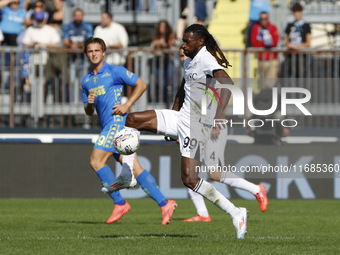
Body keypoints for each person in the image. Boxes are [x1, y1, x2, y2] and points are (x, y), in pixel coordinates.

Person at [104, 24, 264, 239]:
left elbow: (227, 83)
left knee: (189, 180)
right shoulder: (189, 61)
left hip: (196, 125)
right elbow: (183, 88)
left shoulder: (206, 59)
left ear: (199, 42)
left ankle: (236, 212)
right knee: (130, 120)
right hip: (180, 118)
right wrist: (171, 118)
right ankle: (126, 174)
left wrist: (219, 114)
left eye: (187, 41)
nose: (183, 44)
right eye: (183, 40)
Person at [82, 37, 177, 225]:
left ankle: (120, 203)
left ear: (103, 52)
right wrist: (89, 105)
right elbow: (88, 111)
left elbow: (141, 84)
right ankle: (165, 204)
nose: (93, 54)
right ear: (86, 54)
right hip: (107, 125)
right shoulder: (86, 81)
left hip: (117, 123)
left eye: (97, 50)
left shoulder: (114, 71)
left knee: (96, 160)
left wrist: (127, 104)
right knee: (135, 168)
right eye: (90, 51)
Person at [176, 49, 268, 222]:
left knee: (214, 173)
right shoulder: (190, 71)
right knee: (189, 170)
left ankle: (256, 189)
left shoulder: (206, 69)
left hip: (212, 125)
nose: (183, 58)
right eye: (181, 56)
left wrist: (217, 119)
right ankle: (202, 213)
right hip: (196, 126)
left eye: (185, 55)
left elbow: (221, 92)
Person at [62, 8, 93, 102]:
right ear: (73, 16)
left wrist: (78, 44)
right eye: (76, 15)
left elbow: (89, 41)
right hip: (72, 59)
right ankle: (72, 102)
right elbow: (65, 41)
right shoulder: (68, 27)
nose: (78, 17)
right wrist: (71, 45)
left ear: (83, 16)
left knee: (83, 82)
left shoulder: (87, 27)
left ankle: (82, 102)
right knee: (71, 81)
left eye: (80, 15)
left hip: (84, 59)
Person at [250, 11, 279, 89]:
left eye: (265, 18)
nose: (264, 20)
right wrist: (265, 43)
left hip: (272, 59)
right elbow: (254, 43)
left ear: (268, 19)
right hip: (261, 59)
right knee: (262, 82)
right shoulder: (256, 28)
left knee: (271, 83)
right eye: (262, 19)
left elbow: (274, 42)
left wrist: (262, 43)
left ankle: (269, 99)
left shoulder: (273, 27)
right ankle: (263, 98)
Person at [282, 2, 311, 78]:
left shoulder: (306, 26)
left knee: (301, 75)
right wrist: (289, 45)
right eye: (295, 12)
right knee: (289, 74)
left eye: (298, 12)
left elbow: (308, 43)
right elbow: (286, 40)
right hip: (290, 55)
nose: (296, 14)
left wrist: (296, 47)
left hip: (301, 55)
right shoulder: (290, 25)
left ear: (301, 13)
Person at [151, 20, 176, 106]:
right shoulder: (156, 37)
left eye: (164, 27)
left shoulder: (171, 37)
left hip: (168, 62)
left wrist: (165, 44)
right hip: (159, 62)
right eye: (161, 26)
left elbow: (172, 48)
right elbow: (152, 48)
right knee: (160, 83)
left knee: (170, 83)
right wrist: (158, 44)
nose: (163, 29)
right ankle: (162, 102)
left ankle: (170, 102)